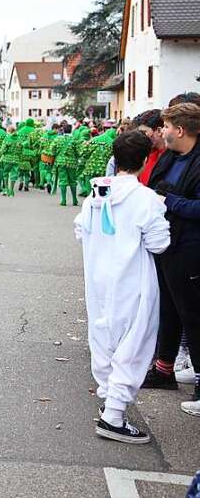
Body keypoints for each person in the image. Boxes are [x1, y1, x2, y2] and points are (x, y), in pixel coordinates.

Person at [75, 131, 170, 444]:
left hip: (99, 280)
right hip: (133, 281)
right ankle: (114, 415)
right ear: (144, 161)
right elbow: (159, 243)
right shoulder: (145, 199)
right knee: (134, 343)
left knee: (103, 337)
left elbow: (80, 230)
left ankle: (108, 397)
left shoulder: (95, 195)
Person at [142, 103, 200, 416]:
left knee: (193, 316)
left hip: (190, 249)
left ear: (179, 130)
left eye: (165, 126)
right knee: (169, 310)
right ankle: (164, 371)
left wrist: (170, 200)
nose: (161, 132)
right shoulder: (170, 157)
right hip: (167, 245)